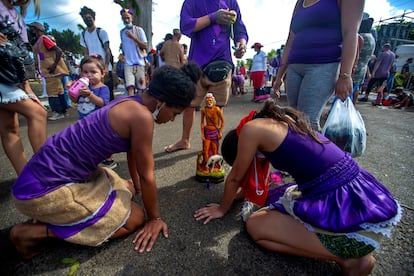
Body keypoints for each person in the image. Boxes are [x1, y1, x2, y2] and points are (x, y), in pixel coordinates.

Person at [10, 62, 203, 259]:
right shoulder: (142, 117)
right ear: (161, 102)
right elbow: (147, 176)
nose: (172, 120)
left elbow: (133, 155)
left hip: (40, 174)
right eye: (175, 114)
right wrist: (154, 218)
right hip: (43, 191)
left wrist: (136, 186)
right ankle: (35, 233)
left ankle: (57, 218)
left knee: (126, 188)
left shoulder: (130, 101)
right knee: (134, 218)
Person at [195, 100, 401, 276]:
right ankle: (347, 250)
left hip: (351, 224)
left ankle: (350, 259)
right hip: (365, 203)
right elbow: (259, 179)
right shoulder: (281, 121)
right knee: (280, 196)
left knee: (255, 226)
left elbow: (234, 178)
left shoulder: (252, 130)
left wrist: (221, 209)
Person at [164, 0, 248, 153]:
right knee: (189, 105)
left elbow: (239, 28)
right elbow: (186, 26)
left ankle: (212, 144)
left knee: (216, 108)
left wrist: (242, 43)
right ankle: (185, 140)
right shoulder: (191, 2)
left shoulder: (230, 1)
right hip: (197, 63)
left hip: (222, 62)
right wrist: (212, 17)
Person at [273, 0, 364, 131]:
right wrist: (279, 76)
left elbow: (351, 32)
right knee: (293, 117)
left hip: (323, 65)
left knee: (308, 121)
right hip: (294, 67)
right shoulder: (300, 2)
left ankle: (314, 151)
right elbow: (290, 40)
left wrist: (345, 75)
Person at [0, 0, 47, 175]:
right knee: (37, 112)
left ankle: (26, 178)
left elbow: (22, 52)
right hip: (4, 74)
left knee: (9, 127)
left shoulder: (17, 14)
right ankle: (46, 170)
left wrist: (27, 86)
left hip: (11, 74)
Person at [68, 55, 117, 169]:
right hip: (84, 120)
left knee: (103, 140)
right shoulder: (81, 87)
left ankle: (108, 160)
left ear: (102, 73)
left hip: (99, 122)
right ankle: (90, 159)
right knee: (86, 141)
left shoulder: (103, 88)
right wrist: (71, 91)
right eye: (85, 72)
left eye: (93, 72)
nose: (88, 75)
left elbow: (103, 103)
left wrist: (90, 94)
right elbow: (75, 100)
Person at [29, 22, 70, 121]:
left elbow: (58, 51)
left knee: (52, 92)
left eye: (32, 30)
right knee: (58, 91)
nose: (31, 32)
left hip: (51, 71)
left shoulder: (44, 39)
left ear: (37, 30)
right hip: (48, 71)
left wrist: (54, 65)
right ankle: (62, 110)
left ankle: (58, 111)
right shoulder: (38, 42)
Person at [79, 6, 115, 101]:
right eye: (85, 19)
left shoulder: (101, 32)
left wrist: (106, 66)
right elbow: (85, 51)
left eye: (89, 18)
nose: (87, 20)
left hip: (103, 67)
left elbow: (107, 50)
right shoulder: (83, 35)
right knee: (95, 91)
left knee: (108, 92)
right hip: (92, 67)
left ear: (94, 18)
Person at [119, 8, 148, 96]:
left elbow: (145, 46)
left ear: (132, 18)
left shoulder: (139, 30)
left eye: (128, 18)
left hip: (139, 63)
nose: (126, 20)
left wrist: (134, 38)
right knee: (130, 88)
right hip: (128, 63)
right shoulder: (122, 32)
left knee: (141, 88)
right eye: (124, 18)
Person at [351, 13, 376, 104]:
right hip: (363, 68)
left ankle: (341, 111)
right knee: (356, 88)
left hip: (354, 67)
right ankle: (351, 107)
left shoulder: (360, 36)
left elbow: (354, 53)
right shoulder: (371, 38)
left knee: (347, 89)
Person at [200, 93, 224, 170]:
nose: (209, 102)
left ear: (213, 101)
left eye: (210, 100)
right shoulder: (204, 110)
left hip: (215, 131)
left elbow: (223, 121)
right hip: (207, 131)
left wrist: (220, 132)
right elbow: (202, 123)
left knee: (214, 149)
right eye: (207, 101)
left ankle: (215, 165)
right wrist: (202, 134)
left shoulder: (217, 109)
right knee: (206, 149)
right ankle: (206, 165)